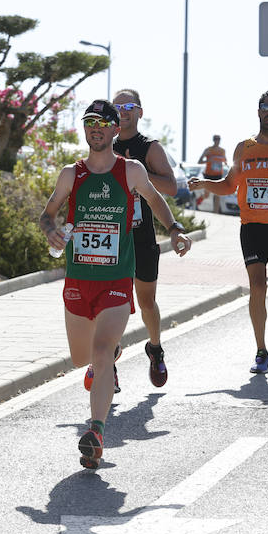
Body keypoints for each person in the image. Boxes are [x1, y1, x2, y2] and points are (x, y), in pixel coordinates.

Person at [40, 99, 192, 469]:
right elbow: (47, 214)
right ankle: (103, 361)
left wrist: (174, 229)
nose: (95, 129)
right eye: (89, 123)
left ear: (114, 129)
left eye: (102, 123)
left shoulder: (131, 170)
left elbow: (155, 200)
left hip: (116, 279)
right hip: (79, 279)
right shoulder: (71, 174)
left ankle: (96, 431)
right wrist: (51, 231)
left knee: (103, 349)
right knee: (83, 358)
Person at [188, 90, 268, 374]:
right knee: (257, 287)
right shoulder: (243, 148)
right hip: (252, 228)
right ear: (258, 111)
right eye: (265, 107)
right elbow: (229, 185)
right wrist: (205, 183)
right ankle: (261, 351)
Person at [108, 88, 176, 390]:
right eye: (117, 107)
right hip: (111, 238)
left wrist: (137, 173)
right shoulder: (103, 145)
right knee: (111, 302)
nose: (123, 112)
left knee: (145, 302)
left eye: (129, 107)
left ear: (140, 112)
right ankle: (108, 362)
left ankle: (155, 348)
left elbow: (171, 187)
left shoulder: (149, 148)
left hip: (141, 236)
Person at [198, 134, 228, 212]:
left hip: (218, 174)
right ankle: (199, 199)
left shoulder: (222, 151)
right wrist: (208, 160)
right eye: (216, 139)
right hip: (208, 174)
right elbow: (199, 161)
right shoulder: (208, 150)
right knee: (207, 195)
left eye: (218, 139)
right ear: (213, 140)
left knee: (217, 194)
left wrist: (224, 161)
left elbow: (225, 161)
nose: (217, 141)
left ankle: (215, 213)